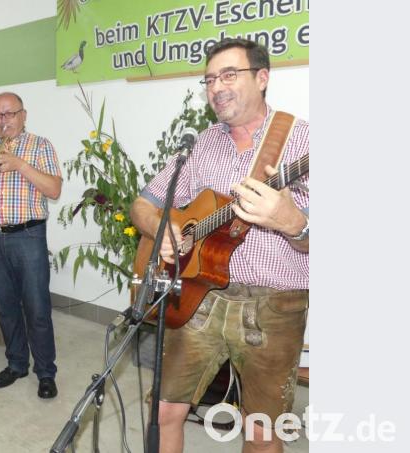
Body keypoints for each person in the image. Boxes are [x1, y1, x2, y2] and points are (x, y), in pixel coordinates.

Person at [130, 38, 309, 453]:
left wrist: (292, 223)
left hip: (273, 307)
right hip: (198, 297)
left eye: (229, 75)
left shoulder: (301, 143)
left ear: (262, 78)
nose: (216, 87)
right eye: (210, 79)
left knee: (262, 432)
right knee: (163, 413)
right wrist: (161, 228)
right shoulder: (202, 142)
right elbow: (143, 203)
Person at [0, 92, 63, 399]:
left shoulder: (40, 145)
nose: (4, 121)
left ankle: (45, 372)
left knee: (37, 308)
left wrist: (19, 164)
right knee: (5, 307)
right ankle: (16, 363)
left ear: (23, 114)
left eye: (10, 114)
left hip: (28, 236)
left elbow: (54, 189)